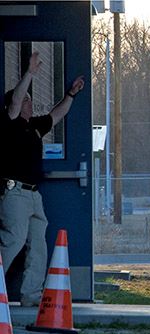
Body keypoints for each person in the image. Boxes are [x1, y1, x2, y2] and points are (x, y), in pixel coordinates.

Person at [0, 52, 84, 307]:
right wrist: (30, 73)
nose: (29, 101)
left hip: (34, 195)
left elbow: (56, 115)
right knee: (13, 239)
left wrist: (70, 95)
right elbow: (15, 100)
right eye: (26, 99)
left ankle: (31, 295)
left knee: (38, 245)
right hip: (13, 193)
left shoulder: (34, 126)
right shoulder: (9, 122)